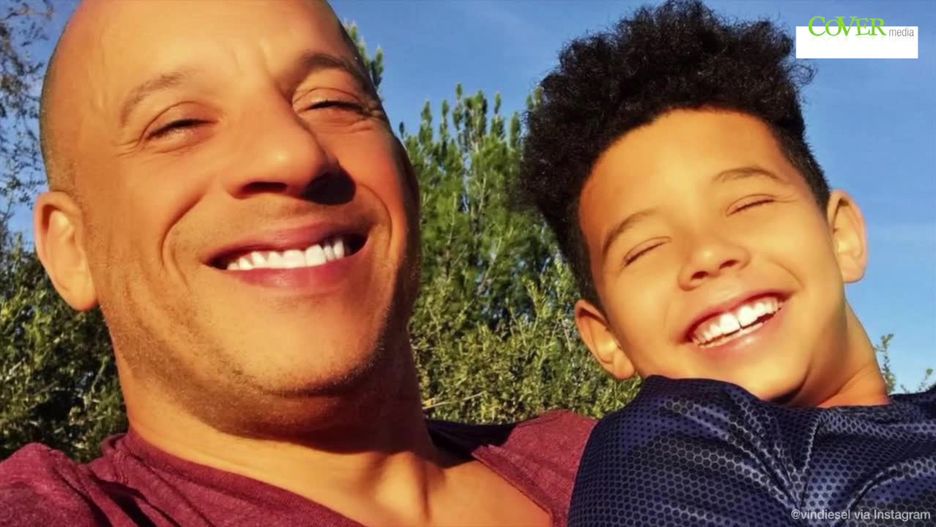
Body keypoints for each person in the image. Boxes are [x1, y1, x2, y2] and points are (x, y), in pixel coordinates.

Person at [0, 1, 593, 526]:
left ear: (408, 185)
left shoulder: (606, 459)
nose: (293, 153)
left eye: (332, 101)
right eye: (179, 124)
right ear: (73, 251)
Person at [518, 1, 936, 525]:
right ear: (607, 338)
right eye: (644, 248)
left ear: (841, 237)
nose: (708, 254)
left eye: (748, 204)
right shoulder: (655, 467)